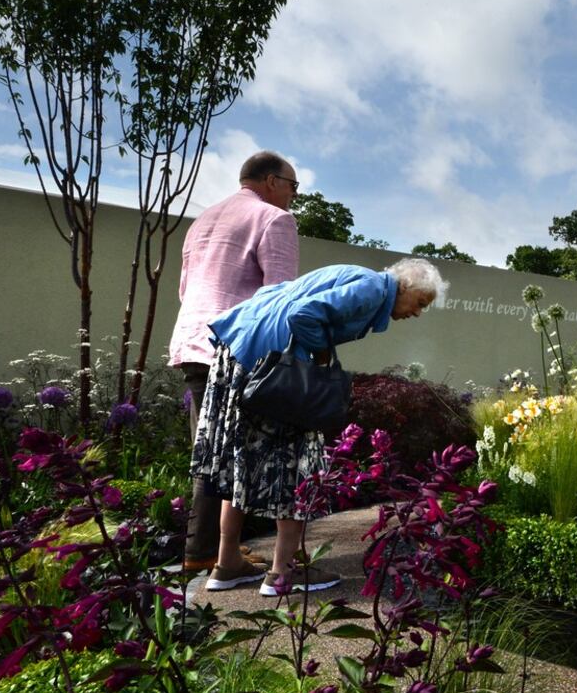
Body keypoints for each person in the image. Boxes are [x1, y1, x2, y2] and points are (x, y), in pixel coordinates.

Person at [193, 257, 446, 596]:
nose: (418, 313)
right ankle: (283, 573)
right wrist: (323, 357)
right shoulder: (372, 288)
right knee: (298, 466)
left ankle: (227, 565)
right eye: (421, 303)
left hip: (241, 356)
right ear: (405, 286)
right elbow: (304, 315)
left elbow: (277, 295)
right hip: (272, 373)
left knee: (242, 462)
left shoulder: (354, 275)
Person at [169, 151, 302, 580]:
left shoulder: (203, 220)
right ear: (271, 181)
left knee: (209, 449)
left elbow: (185, 289)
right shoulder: (274, 219)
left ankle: (210, 549)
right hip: (236, 347)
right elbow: (278, 299)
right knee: (237, 452)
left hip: (193, 341)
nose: (293, 196)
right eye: (293, 186)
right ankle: (211, 553)